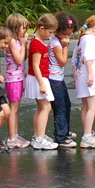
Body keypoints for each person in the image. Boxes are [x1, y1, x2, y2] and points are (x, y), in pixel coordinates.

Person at [73, 15, 95, 148]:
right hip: (87, 77)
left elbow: (74, 60)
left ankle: (88, 132)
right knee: (93, 106)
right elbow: (88, 57)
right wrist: (91, 75)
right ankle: (87, 136)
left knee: (86, 106)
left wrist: (76, 76)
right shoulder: (90, 39)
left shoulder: (81, 39)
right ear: (94, 28)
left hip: (80, 76)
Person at [28, 13, 58, 150]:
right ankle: (39, 138)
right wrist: (41, 83)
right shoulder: (37, 45)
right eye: (49, 32)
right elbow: (35, 65)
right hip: (38, 78)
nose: (50, 35)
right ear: (41, 28)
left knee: (42, 108)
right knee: (46, 107)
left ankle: (38, 135)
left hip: (39, 78)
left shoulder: (37, 42)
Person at [3, 13, 31, 148]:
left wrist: (24, 43)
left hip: (18, 78)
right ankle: (11, 137)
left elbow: (23, 58)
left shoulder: (17, 42)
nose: (25, 31)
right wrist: (24, 43)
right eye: (23, 28)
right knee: (13, 108)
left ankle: (15, 134)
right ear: (15, 28)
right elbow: (19, 60)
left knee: (16, 107)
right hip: (13, 79)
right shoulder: (12, 42)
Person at [50, 12, 77, 149]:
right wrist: (65, 46)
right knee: (60, 108)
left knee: (66, 104)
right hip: (53, 79)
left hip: (58, 78)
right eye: (64, 34)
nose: (66, 37)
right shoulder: (55, 42)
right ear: (57, 30)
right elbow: (62, 62)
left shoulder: (58, 41)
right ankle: (61, 137)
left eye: (69, 35)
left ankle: (65, 130)